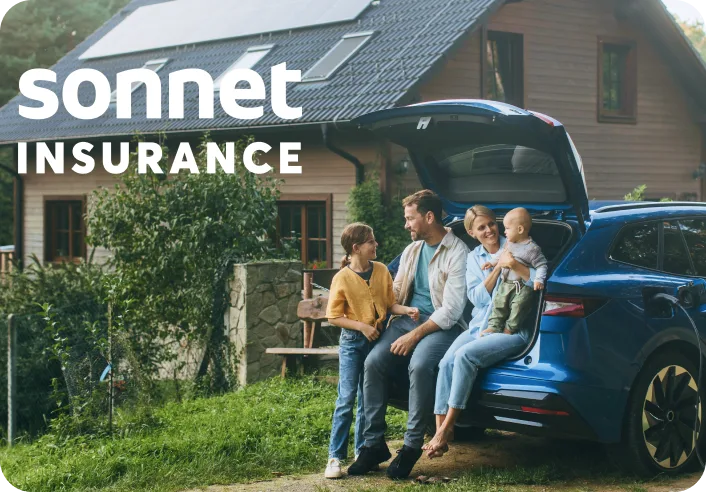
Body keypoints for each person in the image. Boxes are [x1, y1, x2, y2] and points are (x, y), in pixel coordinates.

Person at [348, 190, 469, 480]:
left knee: (420, 364)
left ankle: (412, 444)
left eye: (410, 218)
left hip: (442, 326)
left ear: (429, 217)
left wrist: (414, 337)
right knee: (373, 362)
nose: (406, 225)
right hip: (408, 319)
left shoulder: (457, 252)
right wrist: (376, 307)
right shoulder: (412, 250)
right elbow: (397, 291)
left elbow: (451, 310)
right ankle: (374, 444)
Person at [422, 205, 537, 458]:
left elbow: (536, 280)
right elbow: (476, 298)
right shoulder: (474, 258)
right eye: (481, 228)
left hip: (511, 329)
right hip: (479, 326)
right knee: (445, 363)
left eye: (491, 224)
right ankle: (441, 430)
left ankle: (446, 429)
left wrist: (512, 263)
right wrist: (497, 267)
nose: (489, 231)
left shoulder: (518, 244)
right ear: (472, 233)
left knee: (464, 357)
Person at [324, 222, 419, 479]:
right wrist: (362, 327)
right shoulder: (342, 277)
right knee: (346, 400)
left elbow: (390, 304)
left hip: (375, 342)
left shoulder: (380, 271)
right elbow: (333, 316)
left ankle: (362, 452)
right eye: (371, 242)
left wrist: (407, 310)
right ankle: (334, 456)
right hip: (353, 343)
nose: (376, 245)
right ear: (356, 248)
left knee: (368, 401)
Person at [482, 207, 547, 335]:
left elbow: (542, 265)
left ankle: (509, 329)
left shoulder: (532, 249)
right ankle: (494, 326)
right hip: (506, 283)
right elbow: (501, 254)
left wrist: (539, 279)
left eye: (507, 228)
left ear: (520, 229)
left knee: (518, 307)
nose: (504, 231)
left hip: (521, 286)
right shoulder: (509, 243)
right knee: (499, 304)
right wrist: (492, 262)